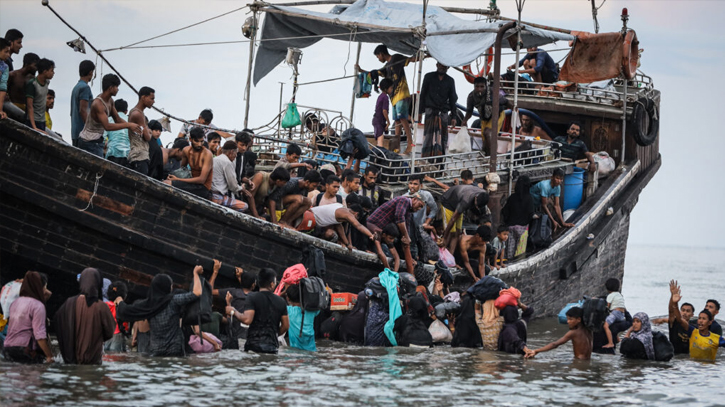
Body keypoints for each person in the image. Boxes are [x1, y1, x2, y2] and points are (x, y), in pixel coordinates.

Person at [116, 266, 203, 357]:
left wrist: (119, 300)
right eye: (170, 285)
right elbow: (197, 293)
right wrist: (195, 274)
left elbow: (126, 310)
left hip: (156, 350)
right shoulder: (173, 300)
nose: (171, 288)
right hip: (175, 349)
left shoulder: (147, 305)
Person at [356, 45, 421, 154]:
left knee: (403, 118)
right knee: (397, 121)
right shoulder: (386, 67)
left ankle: (410, 144)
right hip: (394, 97)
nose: (378, 59)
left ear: (381, 54)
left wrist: (425, 56)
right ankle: (397, 146)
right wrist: (361, 70)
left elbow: (410, 59)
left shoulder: (396, 58)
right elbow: (375, 73)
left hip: (402, 94)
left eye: (378, 56)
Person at [54, 268, 116, 364]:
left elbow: (57, 323)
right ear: (98, 283)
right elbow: (110, 332)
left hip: (69, 360)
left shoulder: (68, 303)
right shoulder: (101, 306)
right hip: (93, 360)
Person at [78, 74, 141, 158]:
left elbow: (117, 119)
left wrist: (132, 127)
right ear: (110, 88)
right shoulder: (98, 104)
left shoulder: (110, 101)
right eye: (116, 87)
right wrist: (128, 125)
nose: (118, 89)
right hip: (89, 141)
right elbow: (107, 126)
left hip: (97, 141)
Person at [2, 271, 54, 364]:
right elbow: (40, 335)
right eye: (45, 287)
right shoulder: (37, 306)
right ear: (39, 287)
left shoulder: (15, 303)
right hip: (25, 350)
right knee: (30, 377)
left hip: (8, 348)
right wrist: (49, 356)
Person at [367, 195, 425, 274]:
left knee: (392, 252)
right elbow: (399, 217)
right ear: (414, 199)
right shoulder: (404, 200)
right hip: (374, 228)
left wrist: (409, 257)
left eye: (421, 208)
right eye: (420, 205)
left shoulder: (408, 211)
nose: (419, 209)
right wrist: (406, 237)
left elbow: (406, 232)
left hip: (384, 234)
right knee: (383, 252)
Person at [238, 268, 289, 354]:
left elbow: (247, 320)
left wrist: (233, 312)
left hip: (252, 345)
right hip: (271, 347)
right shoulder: (281, 302)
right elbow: (286, 326)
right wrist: (273, 334)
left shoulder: (252, 297)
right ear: (272, 284)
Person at [419, 63, 458, 157]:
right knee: (428, 137)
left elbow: (453, 99)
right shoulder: (428, 77)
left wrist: (454, 117)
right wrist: (419, 112)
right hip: (430, 110)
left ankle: (440, 160)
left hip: (443, 112)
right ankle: (426, 158)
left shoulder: (450, 81)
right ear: (436, 65)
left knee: (443, 138)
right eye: (440, 65)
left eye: (444, 65)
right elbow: (422, 95)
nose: (442, 67)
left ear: (448, 67)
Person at [526, 306, 593, 360]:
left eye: (570, 319)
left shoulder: (573, 333)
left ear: (578, 319)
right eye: (567, 319)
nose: (568, 322)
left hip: (579, 362)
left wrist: (536, 351)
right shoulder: (589, 329)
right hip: (588, 360)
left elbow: (554, 344)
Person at [165, 127, 214, 199]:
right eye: (196, 141)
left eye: (202, 141)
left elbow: (201, 180)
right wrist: (173, 177)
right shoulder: (186, 150)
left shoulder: (207, 154)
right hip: (191, 183)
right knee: (165, 181)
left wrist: (177, 180)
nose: (199, 144)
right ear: (191, 139)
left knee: (168, 183)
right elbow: (182, 170)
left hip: (203, 188)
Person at [440, 184, 489, 254]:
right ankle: (442, 256)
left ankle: (450, 257)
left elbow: (483, 215)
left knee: (457, 232)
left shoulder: (484, 195)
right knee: (451, 232)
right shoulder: (466, 200)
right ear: (476, 198)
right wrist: (444, 238)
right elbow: (453, 219)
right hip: (448, 203)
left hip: (459, 205)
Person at [311, 202, 375, 250]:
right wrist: (371, 235)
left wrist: (347, 244)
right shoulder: (348, 214)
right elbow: (359, 226)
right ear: (356, 214)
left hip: (313, 218)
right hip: (310, 218)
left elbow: (340, 228)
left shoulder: (340, 207)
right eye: (355, 219)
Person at [463, 76, 508, 141]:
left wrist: (514, 108)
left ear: (485, 86)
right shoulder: (471, 97)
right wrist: (465, 120)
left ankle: (492, 151)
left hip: (497, 115)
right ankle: (486, 150)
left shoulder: (492, 92)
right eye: (477, 87)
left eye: (482, 87)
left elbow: (505, 101)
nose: (479, 89)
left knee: (488, 133)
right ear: (474, 87)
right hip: (484, 118)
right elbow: (469, 111)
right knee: (484, 137)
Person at [211, 140, 249, 212]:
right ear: (231, 152)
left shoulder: (216, 159)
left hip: (211, 193)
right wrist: (242, 189)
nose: (236, 156)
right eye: (236, 153)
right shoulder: (227, 162)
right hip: (218, 197)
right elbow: (233, 186)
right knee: (244, 206)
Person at [501, 175, 534, 259]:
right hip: (522, 229)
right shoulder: (529, 198)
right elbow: (530, 213)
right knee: (520, 253)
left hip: (510, 227)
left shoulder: (512, 197)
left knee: (509, 252)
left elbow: (504, 211)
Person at [127, 86, 155, 174]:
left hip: (139, 155)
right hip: (139, 156)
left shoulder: (138, 113)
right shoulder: (137, 114)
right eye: (151, 98)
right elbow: (147, 137)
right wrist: (149, 132)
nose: (153, 102)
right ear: (143, 97)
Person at [5, 52, 39, 122]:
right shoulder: (12, 75)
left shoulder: (32, 80)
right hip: (11, 109)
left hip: (25, 112)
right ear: (27, 64)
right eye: (35, 66)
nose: (36, 69)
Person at [284, 284, 318, 351]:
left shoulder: (288, 310)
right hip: (312, 353)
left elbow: (274, 302)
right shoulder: (312, 311)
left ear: (287, 298)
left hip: (294, 353)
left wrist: (283, 292)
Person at [24, 58, 55, 134]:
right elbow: (30, 106)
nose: (53, 73)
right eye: (51, 70)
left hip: (42, 120)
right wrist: (33, 126)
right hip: (32, 121)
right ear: (45, 72)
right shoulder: (32, 84)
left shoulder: (47, 82)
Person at [70, 60, 95, 147]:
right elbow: (83, 110)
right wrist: (91, 129)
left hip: (75, 131)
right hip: (82, 133)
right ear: (90, 72)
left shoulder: (76, 87)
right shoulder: (85, 88)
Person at [103, 281, 128, 353]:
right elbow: (125, 325)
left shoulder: (105, 305)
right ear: (124, 296)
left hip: (106, 335)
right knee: (116, 357)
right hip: (118, 335)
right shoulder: (122, 307)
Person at [104, 99, 130, 166]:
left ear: (113, 110)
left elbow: (103, 139)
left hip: (112, 153)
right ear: (126, 111)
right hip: (127, 155)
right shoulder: (130, 121)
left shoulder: (108, 120)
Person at [602, 278, 626, 349]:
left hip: (615, 313)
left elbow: (608, 306)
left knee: (606, 326)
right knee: (612, 326)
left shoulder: (610, 295)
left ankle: (610, 343)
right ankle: (618, 339)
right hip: (622, 315)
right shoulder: (619, 295)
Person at [373, 78, 393, 147]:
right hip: (379, 121)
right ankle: (380, 154)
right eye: (391, 88)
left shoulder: (380, 96)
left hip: (377, 120)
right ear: (385, 88)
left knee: (380, 137)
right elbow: (384, 111)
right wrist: (388, 121)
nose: (392, 90)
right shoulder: (385, 97)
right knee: (380, 139)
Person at [0, 39, 11, 121]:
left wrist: (0, 110)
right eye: (6, 52)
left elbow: (3, 88)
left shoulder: (5, 67)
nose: (8, 55)